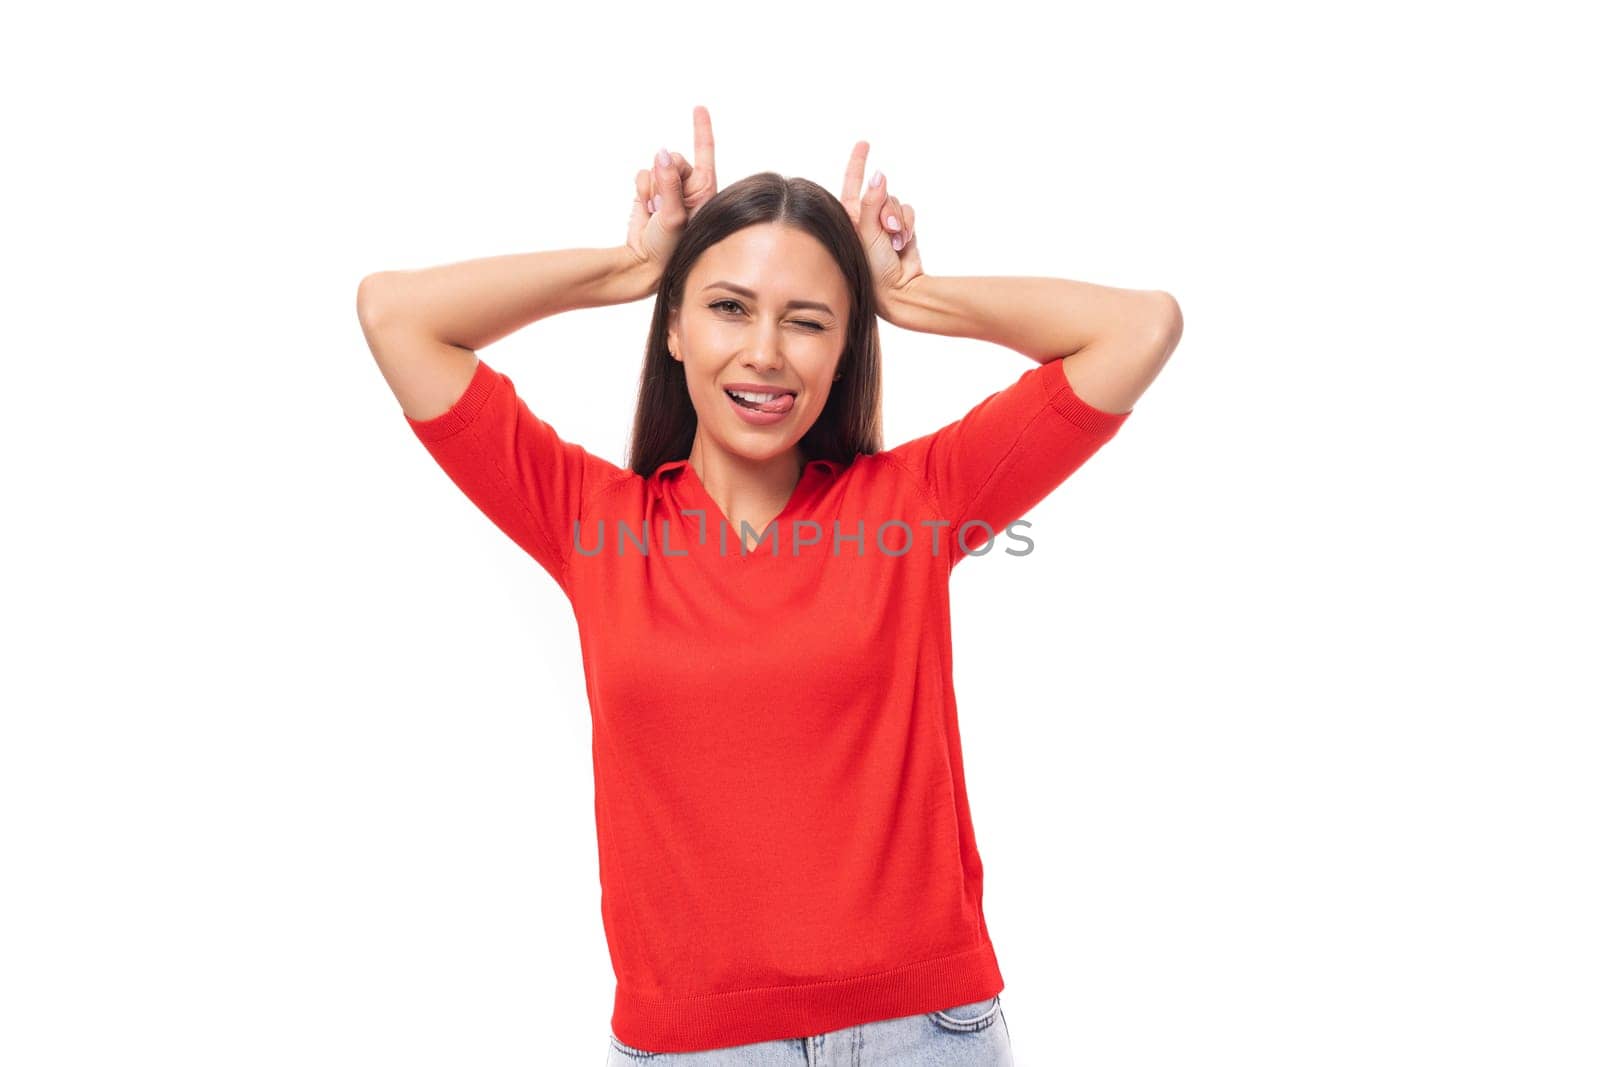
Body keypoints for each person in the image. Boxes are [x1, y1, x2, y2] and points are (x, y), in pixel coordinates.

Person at [356, 106, 1180, 1066]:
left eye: (809, 321)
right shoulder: (592, 523)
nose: (765, 353)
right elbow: (395, 315)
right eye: (728, 307)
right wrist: (628, 267)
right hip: (694, 1046)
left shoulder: (915, 505)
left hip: (925, 1033)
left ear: (844, 350)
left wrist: (914, 296)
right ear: (674, 328)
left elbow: (1140, 328)